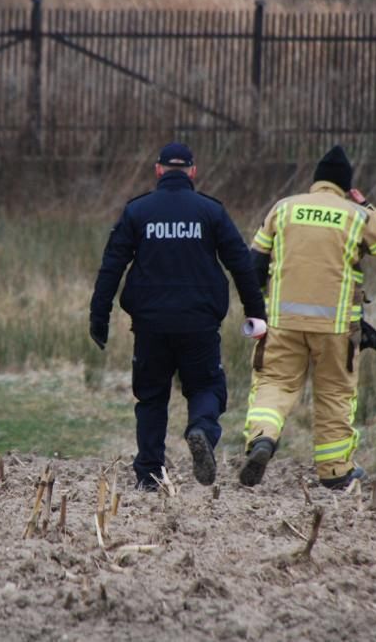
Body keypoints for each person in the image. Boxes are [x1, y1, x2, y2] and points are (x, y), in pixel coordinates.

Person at [89, 143, 266, 490]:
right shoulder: (211, 212)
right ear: (192, 172)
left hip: (150, 326)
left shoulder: (138, 211)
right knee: (206, 386)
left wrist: (100, 316)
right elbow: (241, 265)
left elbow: (112, 265)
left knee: (152, 397)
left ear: (158, 171)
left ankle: (150, 475)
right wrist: (255, 313)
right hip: (199, 324)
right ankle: (200, 428)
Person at [239, 145, 376, 490]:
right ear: (346, 186)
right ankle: (335, 471)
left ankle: (262, 438)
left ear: (315, 181)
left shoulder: (283, 209)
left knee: (274, 385)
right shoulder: (355, 215)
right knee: (333, 394)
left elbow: (254, 266)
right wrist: (366, 205)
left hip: (283, 322)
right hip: (336, 329)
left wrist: (258, 312)